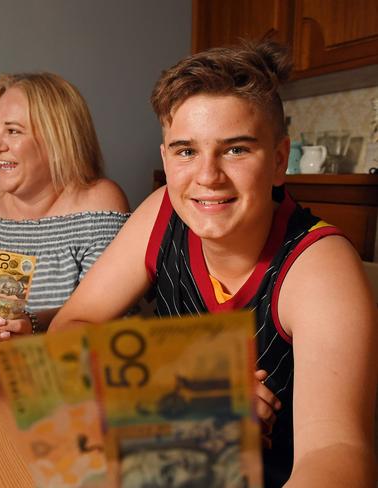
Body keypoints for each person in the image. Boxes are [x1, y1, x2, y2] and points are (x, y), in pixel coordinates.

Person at [50, 41, 377, 487]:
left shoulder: (319, 265)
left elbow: (336, 453)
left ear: (279, 161)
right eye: (186, 151)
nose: (207, 176)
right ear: (165, 159)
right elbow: (70, 326)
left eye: (236, 150)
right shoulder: (161, 211)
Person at [0, 72, 130, 364]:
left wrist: (32, 326)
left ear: (58, 138)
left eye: (13, 131)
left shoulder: (100, 202)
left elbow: (103, 309)